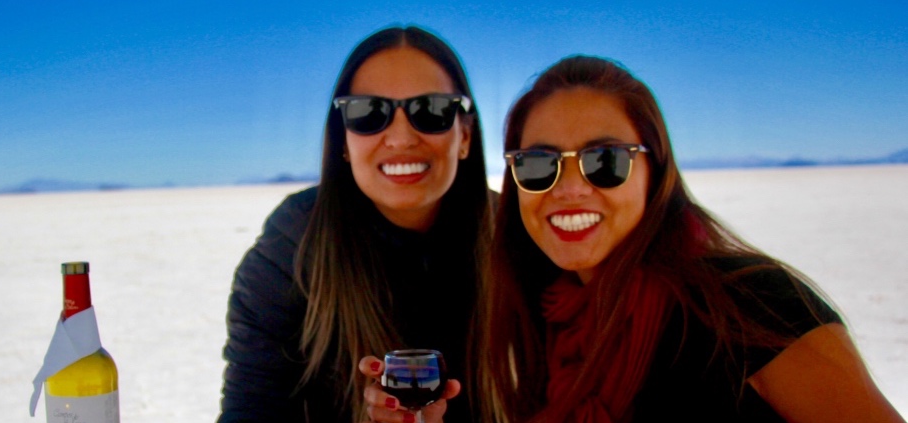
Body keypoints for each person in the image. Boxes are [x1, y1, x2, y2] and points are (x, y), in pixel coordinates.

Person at [361, 55, 904, 422]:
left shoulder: (748, 306)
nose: (569, 189)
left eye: (605, 161)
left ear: (655, 173)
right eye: (538, 164)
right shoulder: (544, 327)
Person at [218, 26, 493, 423]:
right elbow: (253, 409)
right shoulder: (294, 247)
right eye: (368, 113)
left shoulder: (518, 238)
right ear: (344, 141)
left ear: (464, 135)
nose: (400, 138)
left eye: (431, 110)